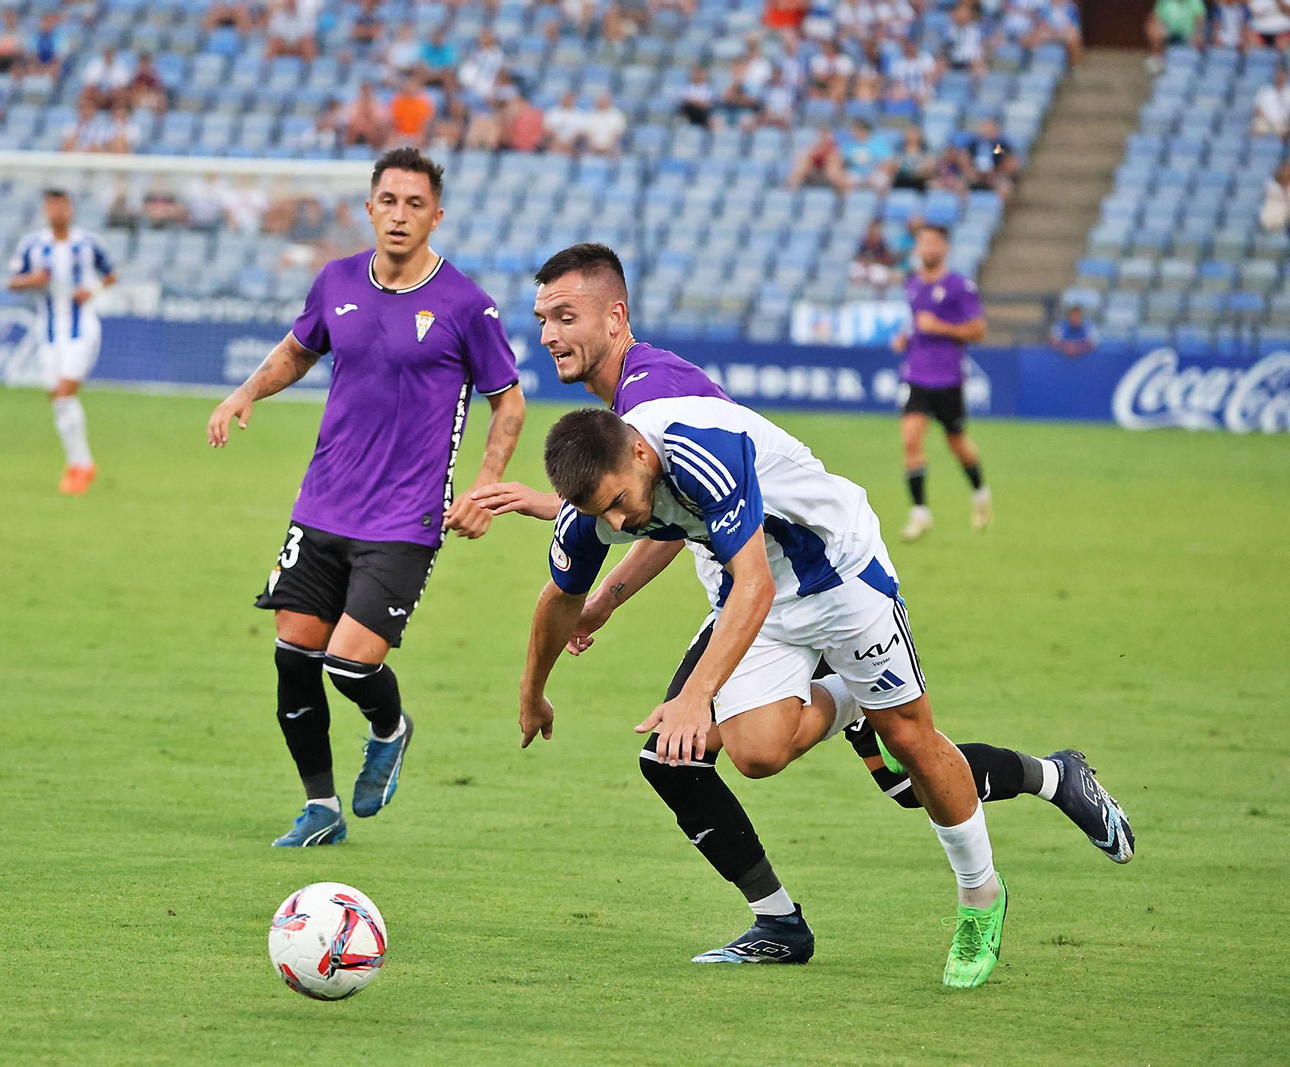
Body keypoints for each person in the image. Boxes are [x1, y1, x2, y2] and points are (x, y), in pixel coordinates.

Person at [503, 245, 1015, 987]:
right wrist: (535, 687)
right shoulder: (610, 468)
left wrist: (692, 693)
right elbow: (564, 594)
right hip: (751, 582)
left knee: (911, 739)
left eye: (565, 315)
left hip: (834, 569)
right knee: (757, 753)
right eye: (542, 317)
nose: (549, 333)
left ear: (615, 316)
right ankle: (844, 706)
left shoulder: (687, 432)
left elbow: (745, 576)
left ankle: (980, 899)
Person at [203, 148, 526, 848]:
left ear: (436, 216)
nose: (401, 214)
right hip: (322, 503)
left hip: (405, 517)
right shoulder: (337, 280)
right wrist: (245, 392)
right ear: (370, 206)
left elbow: (509, 403)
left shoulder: (466, 305)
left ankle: (390, 727)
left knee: (349, 660)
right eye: (389, 200)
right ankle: (319, 807)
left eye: (416, 204)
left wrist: (483, 485)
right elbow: (297, 349)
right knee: (294, 655)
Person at [6, 189, 117, 495]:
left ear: (71, 208)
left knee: (65, 394)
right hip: (49, 332)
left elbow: (111, 275)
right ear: (45, 210)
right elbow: (12, 281)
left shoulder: (88, 243)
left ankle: (81, 465)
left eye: (62, 206)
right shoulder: (32, 245)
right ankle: (79, 463)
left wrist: (91, 290)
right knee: (58, 398)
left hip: (82, 330)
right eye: (51, 206)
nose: (57, 212)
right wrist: (33, 281)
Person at [893, 223, 990, 541]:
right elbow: (918, 326)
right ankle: (920, 513)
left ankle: (980, 493)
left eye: (934, 242)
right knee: (910, 439)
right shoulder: (913, 286)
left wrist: (939, 327)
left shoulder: (959, 286)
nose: (928, 248)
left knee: (956, 443)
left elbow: (977, 330)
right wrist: (907, 338)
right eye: (923, 242)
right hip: (917, 376)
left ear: (945, 248)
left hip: (948, 379)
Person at [1252, 66, 1290, 138]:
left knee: (1285, 131)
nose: (1280, 77)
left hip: (1283, 123)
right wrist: (1268, 120)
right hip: (1266, 121)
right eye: (1278, 75)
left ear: (1286, 77)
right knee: (1257, 126)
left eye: (1282, 75)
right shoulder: (1265, 90)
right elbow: (1257, 108)